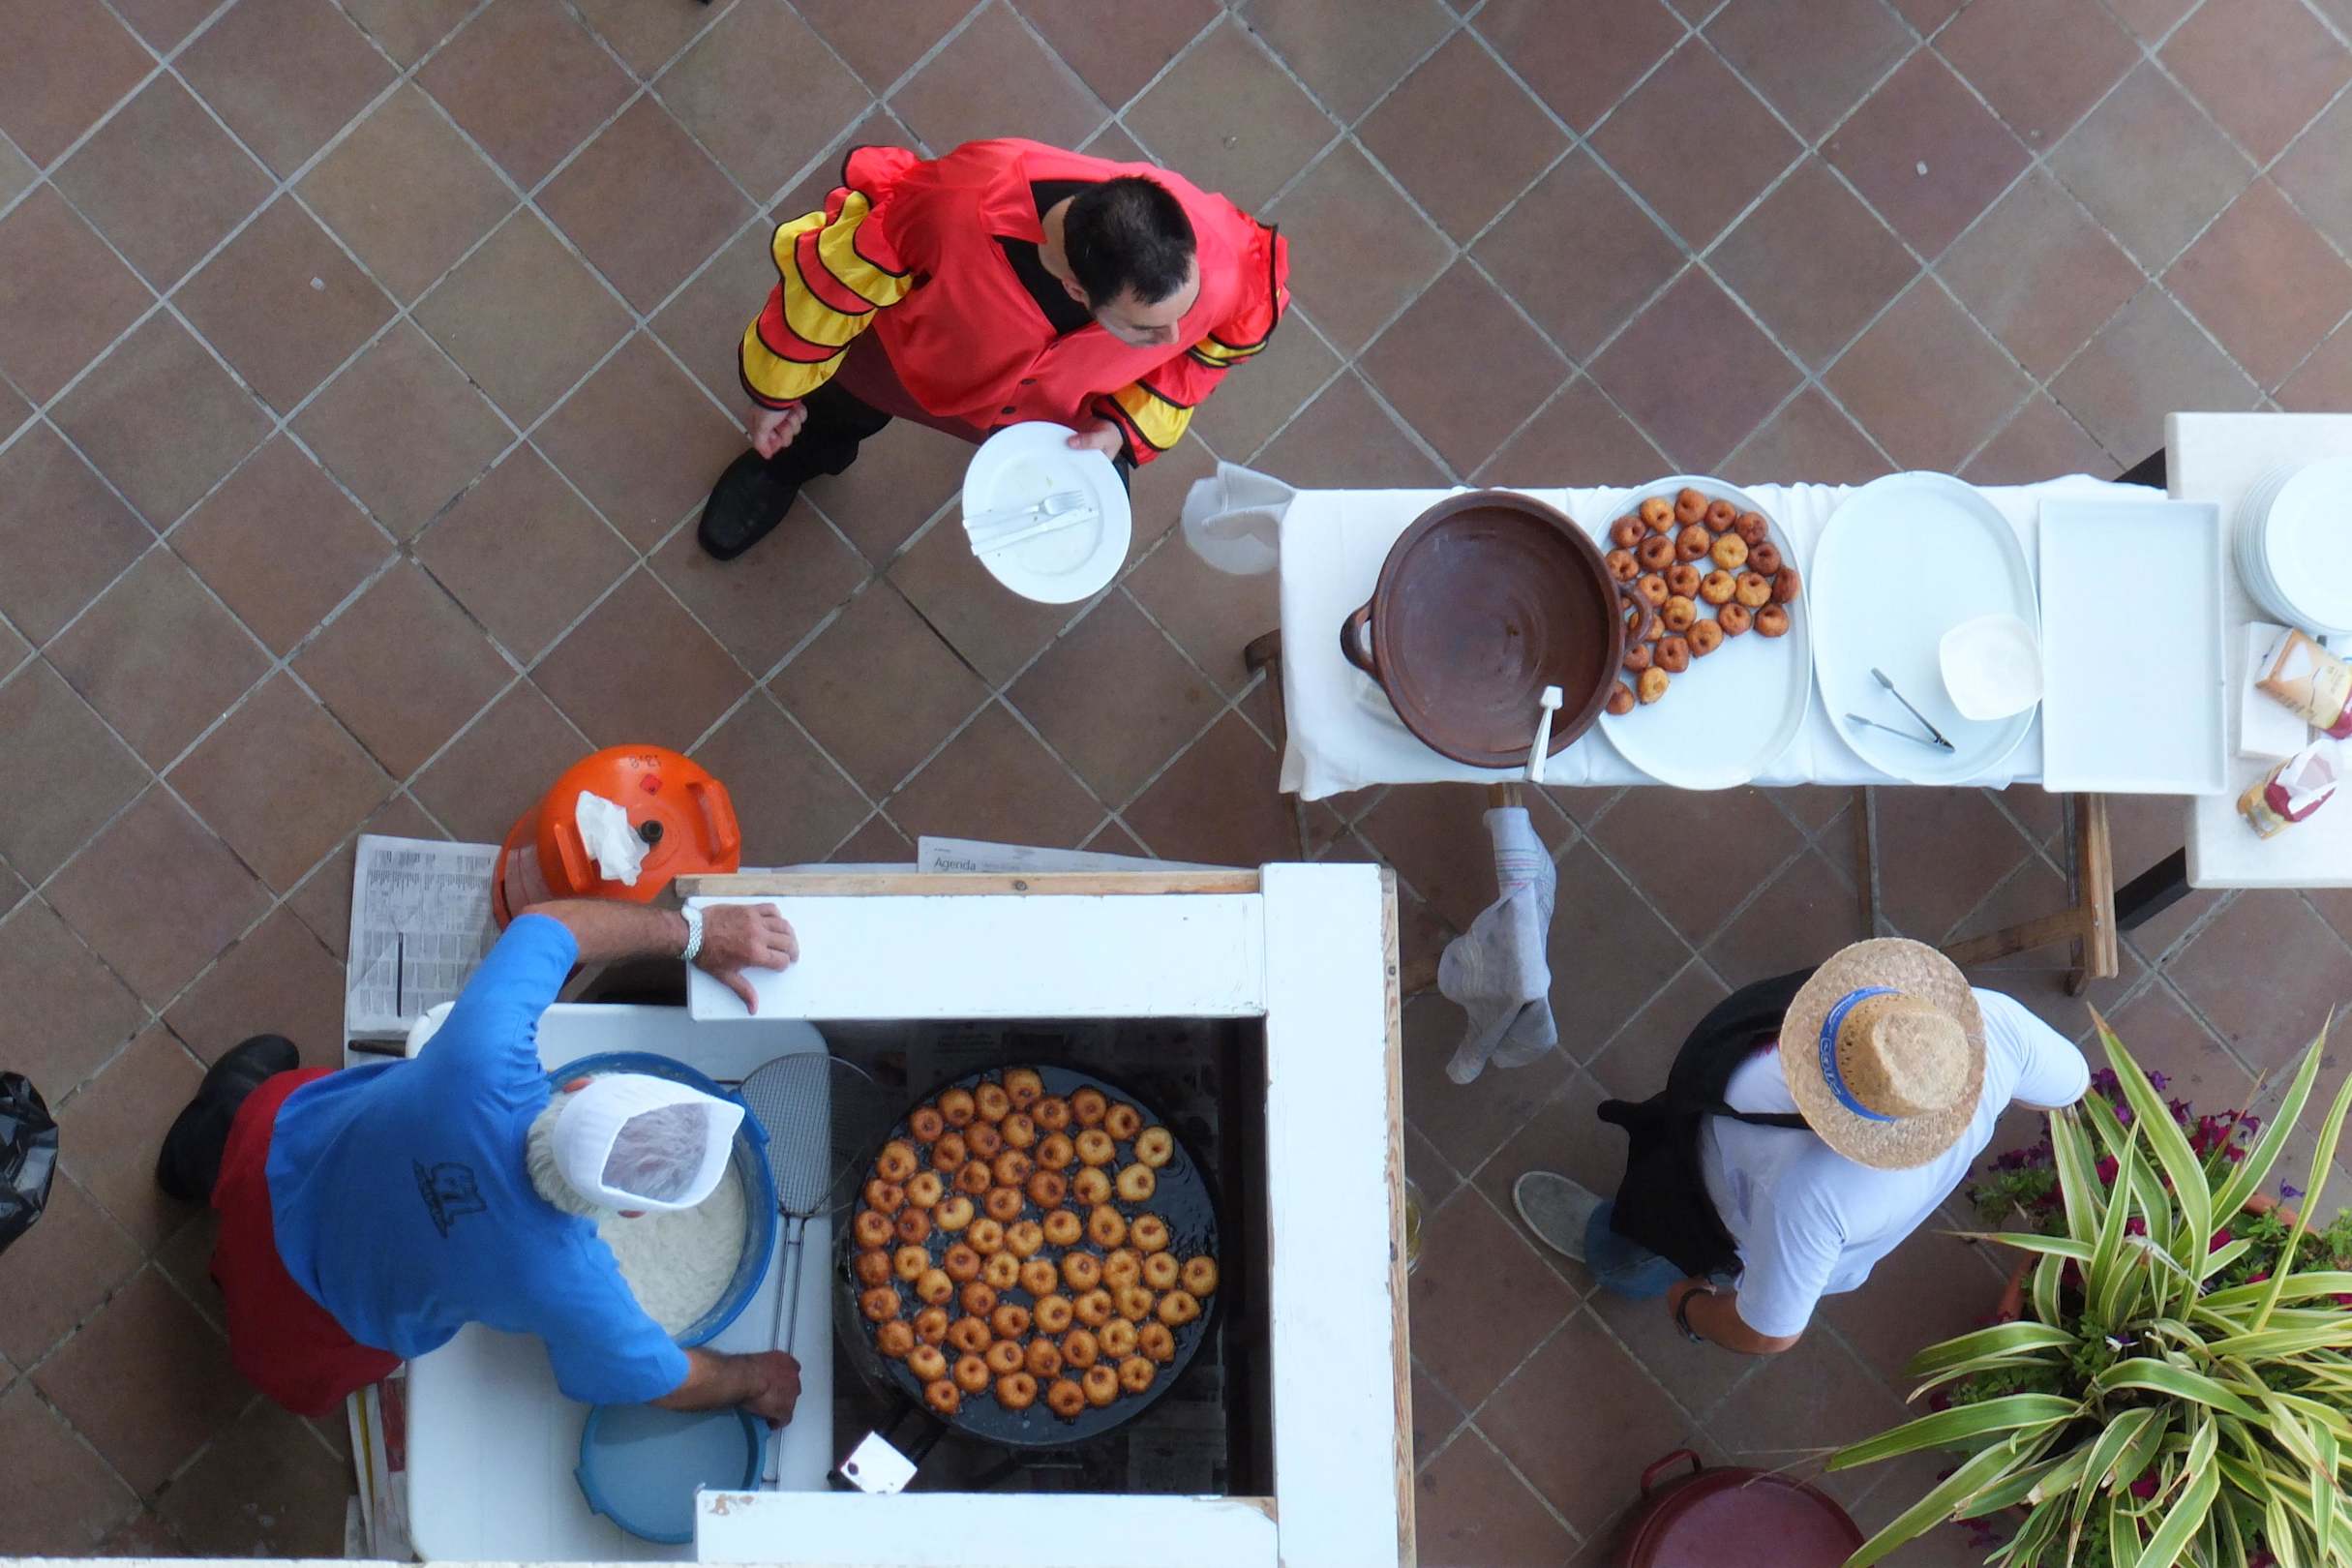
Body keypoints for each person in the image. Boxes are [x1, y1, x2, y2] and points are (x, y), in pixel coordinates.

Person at [154, 899, 804, 1422]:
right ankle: (207, 1189)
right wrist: (752, 1378)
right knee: (286, 1352)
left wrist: (695, 934)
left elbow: (552, 925)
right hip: (317, 1316)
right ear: (632, 1211)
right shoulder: (564, 1280)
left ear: (580, 1085)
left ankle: (198, 1154)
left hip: (283, 1160)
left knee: (241, 1130)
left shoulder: (482, 1058)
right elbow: (661, 1377)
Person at [697, 137, 1289, 561]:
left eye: (1185, 311)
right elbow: (831, 291)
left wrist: (1122, 426)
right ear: (1075, 290)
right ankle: (790, 464)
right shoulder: (948, 208)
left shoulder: (1225, 257)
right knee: (836, 413)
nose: (1172, 341)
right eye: (1144, 331)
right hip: (905, 367)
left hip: (1055, 413)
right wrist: (775, 395)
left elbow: (1219, 343)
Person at [1512, 938, 2089, 1355]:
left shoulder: (1807, 1196)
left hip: (1717, 1216)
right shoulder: (1990, 1028)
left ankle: (1617, 1260)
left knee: (1644, 1243)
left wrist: (1688, 1308)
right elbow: (2070, 1084)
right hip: (1754, 1182)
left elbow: (1769, 1332)